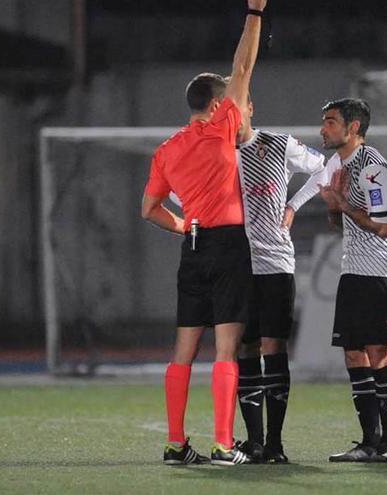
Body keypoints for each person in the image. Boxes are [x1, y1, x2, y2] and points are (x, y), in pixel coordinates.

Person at [140, 0, 266, 466]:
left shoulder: (167, 150)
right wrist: (254, 12)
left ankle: (175, 444)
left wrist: (183, 226)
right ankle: (222, 443)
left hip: (193, 246)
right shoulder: (220, 129)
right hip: (228, 246)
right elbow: (244, 63)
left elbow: (149, 209)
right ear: (217, 105)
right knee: (227, 347)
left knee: (183, 350)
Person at [288, 98, 387, 462]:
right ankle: (368, 442)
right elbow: (340, 224)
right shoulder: (340, 164)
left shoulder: (374, 168)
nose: (323, 129)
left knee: (378, 355)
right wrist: (332, 207)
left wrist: (340, 201)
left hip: (381, 274)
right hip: (353, 271)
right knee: (354, 356)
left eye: (330, 122)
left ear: (353, 128)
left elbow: (383, 228)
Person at [230, 90, 326, 463]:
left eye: (238, 107)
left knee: (274, 347)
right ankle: (254, 443)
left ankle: (275, 443)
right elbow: (180, 190)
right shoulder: (218, 153)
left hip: (275, 264)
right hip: (237, 266)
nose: (233, 116)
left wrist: (293, 205)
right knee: (245, 347)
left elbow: (324, 169)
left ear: (250, 107)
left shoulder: (278, 144)